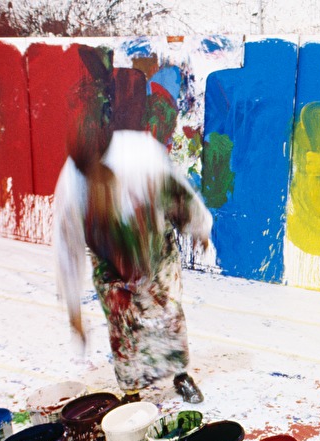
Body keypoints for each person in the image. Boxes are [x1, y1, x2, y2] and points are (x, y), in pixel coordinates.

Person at [53, 121, 212, 404]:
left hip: (154, 246)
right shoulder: (71, 188)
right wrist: (73, 312)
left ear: (107, 155)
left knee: (169, 315)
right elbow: (67, 251)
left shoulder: (141, 158)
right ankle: (131, 393)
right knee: (122, 324)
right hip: (109, 259)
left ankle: (180, 375)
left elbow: (179, 195)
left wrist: (199, 228)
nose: (95, 181)